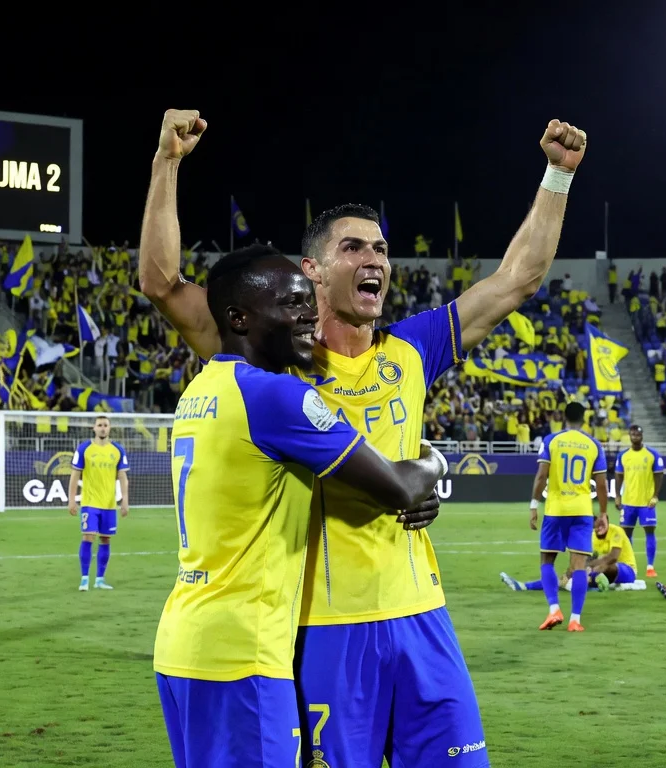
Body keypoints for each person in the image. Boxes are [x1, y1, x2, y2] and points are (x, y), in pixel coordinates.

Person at [140, 108, 586, 766]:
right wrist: (167, 162)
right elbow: (162, 283)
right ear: (312, 270)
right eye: (353, 248)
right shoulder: (270, 362)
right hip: (324, 629)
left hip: (422, 616)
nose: (374, 259)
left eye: (380, 249)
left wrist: (557, 176)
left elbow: (515, 280)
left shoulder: (413, 348)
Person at [150, 244, 450, 768]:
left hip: (182, 647)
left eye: (308, 300)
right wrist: (435, 461)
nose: (310, 314)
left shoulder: (202, 388)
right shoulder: (276, 397)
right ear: (239, 318)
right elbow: (400, 487)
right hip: (244, 653)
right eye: (292, 303)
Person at [529, 401, 609, 631]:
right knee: (580, 565)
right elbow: (601, 485)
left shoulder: (551, 440)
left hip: (556, 510)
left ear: (564, 417)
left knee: (547, 560)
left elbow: (541, 476)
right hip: (582, 511)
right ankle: (575, 620)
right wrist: (603, 513)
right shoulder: (593, 445)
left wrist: (534, 505)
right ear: (584, 419)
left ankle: (554, 609)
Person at [68, 415, 129, 591]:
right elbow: (75, 475)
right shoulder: (84, 449)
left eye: (105, 425)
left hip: (109, 504)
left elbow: (123, 477)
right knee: (88, 536)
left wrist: (125, 500)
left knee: (105, 539)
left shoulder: (117, 450)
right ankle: (84, 579)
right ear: (94, 428)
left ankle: (100, 579)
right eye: (99, 425)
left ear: (109, 428)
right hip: (90, 502)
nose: (102, 428)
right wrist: (71, 499)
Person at [499, 514, 637, 592]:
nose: (600, 527)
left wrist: (592, 568)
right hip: (598, 571)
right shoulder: (591, 537)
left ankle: (592, 581)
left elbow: (613, 557)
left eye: (603, 524)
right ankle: (525, 586)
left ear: (608, 522)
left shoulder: (616, 531)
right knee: (569, 576)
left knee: (604, 564)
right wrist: (572, 572)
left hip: (626, 570)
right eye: (597, 525)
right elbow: (584, 560)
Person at [614, 424, 665, 578]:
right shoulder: (623, 455)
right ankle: (629, 564)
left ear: (642, 436)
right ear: (629, 436)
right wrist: (617, 496)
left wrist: (655, 495)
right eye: (633, 434)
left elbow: (659, 475)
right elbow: (619, 476)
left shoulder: (652, 454)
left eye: (637, 434)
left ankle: (650, 566)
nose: (635, 436)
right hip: (628, 502)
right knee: (626, 534)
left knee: (649, 531)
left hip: (646, 503)